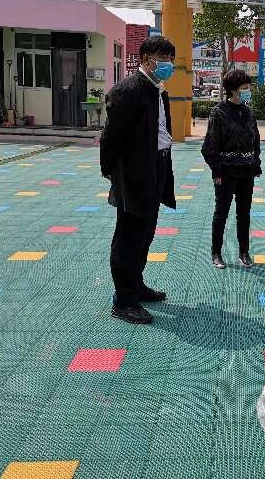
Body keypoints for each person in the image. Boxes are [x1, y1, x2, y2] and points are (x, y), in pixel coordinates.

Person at [100, 35, 177, 325]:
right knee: (129, 236)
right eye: (163, 59)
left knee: (146, 231)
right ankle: (123, 300)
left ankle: (136, 284)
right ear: (145, 59)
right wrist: (112, 171)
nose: (168, 65)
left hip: (155, 167)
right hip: (134, 172)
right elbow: (111, 137)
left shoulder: (157, 90)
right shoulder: (128, 90)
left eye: (171, 59)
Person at [202, 69, 262, 269]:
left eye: (248, 87)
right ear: (233, 90)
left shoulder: (248, 112)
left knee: (244, 213)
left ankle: (244, 252)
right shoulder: (218, 112)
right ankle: (216, 253)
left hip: (246, 171)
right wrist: (216, 170)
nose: (248, 90)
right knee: (221, 212)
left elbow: (256, 140)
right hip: (226, 172)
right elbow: (210, 145)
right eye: (244, 87)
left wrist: (255, 163)